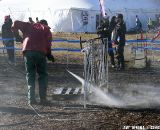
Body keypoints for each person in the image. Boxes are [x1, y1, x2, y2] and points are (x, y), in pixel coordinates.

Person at [12, 19, 54, 105]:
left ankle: (31, 99)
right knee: (42, 75)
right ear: (45, 24)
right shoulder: (46, 29)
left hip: (28, 52)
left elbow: (15, 23)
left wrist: (17, 36)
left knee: (30, 75)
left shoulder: (28, 25)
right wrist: (49, 54)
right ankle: (43, 99)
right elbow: (48, 44)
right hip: (40, 52)